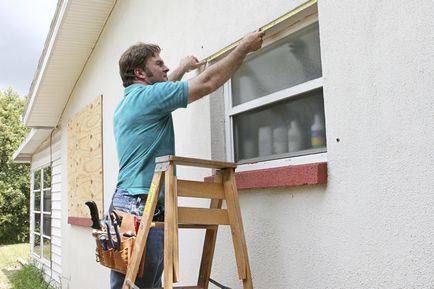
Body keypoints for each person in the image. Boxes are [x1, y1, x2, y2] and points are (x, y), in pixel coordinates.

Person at [111, 29, 264, 289]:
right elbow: (206, 83)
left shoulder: (127, 103)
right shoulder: (148, 98)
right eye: (158, 63)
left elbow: (166, 87)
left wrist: (182, 68)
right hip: (142, 205)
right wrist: (243, 48)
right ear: (139, 73)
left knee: (130, 285)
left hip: (125, 204)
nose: (165, 67)